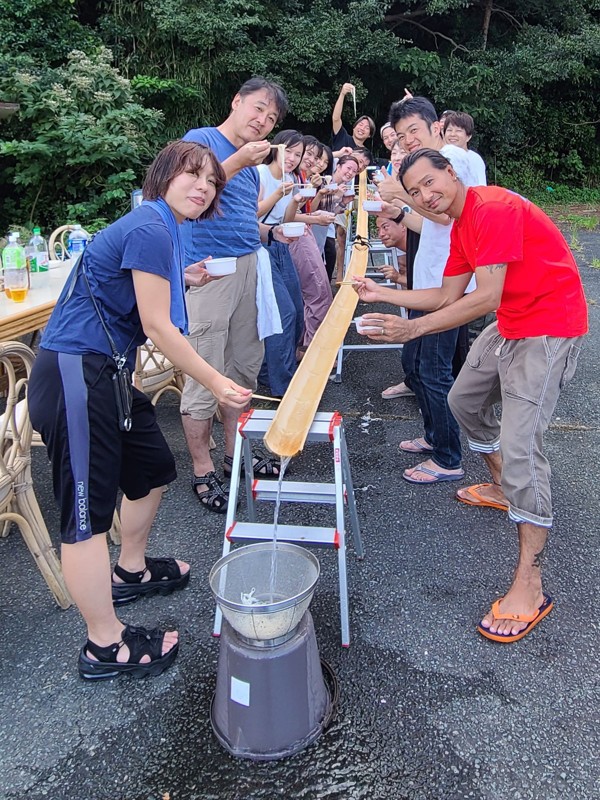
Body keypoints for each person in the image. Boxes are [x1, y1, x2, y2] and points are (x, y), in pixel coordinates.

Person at [27, 140, 252, 680]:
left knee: (152, 467)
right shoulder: (152, 227)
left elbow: (132, 291)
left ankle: (130, 570)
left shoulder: (162, 227)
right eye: (191, 175)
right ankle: (104, 646)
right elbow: (157, 325)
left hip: (106, 375)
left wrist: (186, 277)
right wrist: (217, 381)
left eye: (212, 182)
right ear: (164, 176)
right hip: (77, 375)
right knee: (85, 513)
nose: (203, 186)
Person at [355, 148, 587, 643]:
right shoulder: (460, 226)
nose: (425, 196)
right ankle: (505, 488)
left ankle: (531, 582)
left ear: (450, 172)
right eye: (414, 192)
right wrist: (382, 295)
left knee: (523, 447)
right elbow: (444, 295)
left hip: (547, 328)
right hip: (511, 323)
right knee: (463, 401)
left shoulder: (492, 209)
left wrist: (409, 332)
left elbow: (486, 297)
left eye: (428, 183)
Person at [179, 76, 289, 514]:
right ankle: (203, 470)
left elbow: (245, 217)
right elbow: (188, 197)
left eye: (272, 117)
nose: (262, 120)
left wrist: (272, 230)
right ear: (236, 101)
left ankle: (235, 454)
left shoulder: (256, 165)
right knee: (206, 372)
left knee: (244, 368)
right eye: (257, 108)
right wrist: (240, 161)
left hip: (248, 268)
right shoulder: (200, 141)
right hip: (208, 271)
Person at [374, 96, 482, 483]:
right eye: (401, 136)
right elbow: (435, 226)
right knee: (419, 366)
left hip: (448, 288)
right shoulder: (424, 174)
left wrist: (402, 195)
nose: (407, 141)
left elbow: (457, 215)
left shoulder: (453, 158)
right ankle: (436, 436)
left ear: (437, 126)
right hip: (433, 282)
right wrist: (400, 211)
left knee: (431, 370)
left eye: (414, 131)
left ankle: (449, 458)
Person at [256, 129, 305, 394]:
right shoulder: (261, 174)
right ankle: (281, 384)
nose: (293, 158)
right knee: (282, 313)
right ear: (276, 148)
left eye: (298, 154)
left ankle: (269, 371)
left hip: (281, 245)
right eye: (289, 151)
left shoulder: (290, 178)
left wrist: (296, 200)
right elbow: (251, 215)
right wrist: (277, 194)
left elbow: (286, 219)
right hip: (261, 247)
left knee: (296, 309)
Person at [331, 82, 375, 160]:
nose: (362, 128)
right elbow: (336, 118)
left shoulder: (367, 154)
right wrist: (342, 94)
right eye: (360, 124)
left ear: (370, 135)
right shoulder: (342, 137)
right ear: (354, 127)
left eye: (367, 127)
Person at [442, 111, 487, 185]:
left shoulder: (475, 159)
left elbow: (481, 186)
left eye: (458, 131)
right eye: (449, 130)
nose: (453, 134)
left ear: (468, 137)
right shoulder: (440, 157)